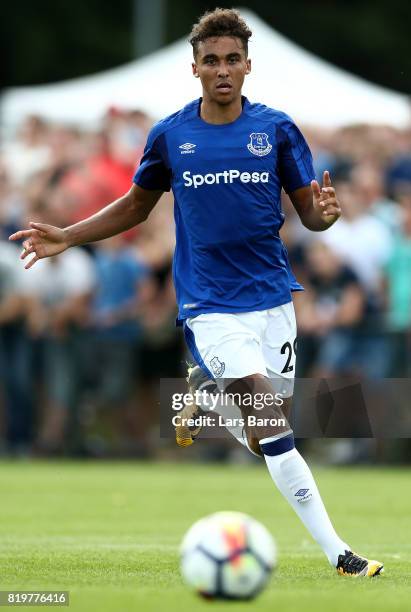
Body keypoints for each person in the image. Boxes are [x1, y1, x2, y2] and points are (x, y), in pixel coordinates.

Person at [9, 8, 382, 577]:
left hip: (274, 301)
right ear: (195, 69)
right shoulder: (172, 135)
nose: (222, 69)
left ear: (248, 65)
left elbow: (309, 213)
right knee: (272, 424)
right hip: (210, 305)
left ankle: (204, 402)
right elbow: (137, 205)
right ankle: (340, 554)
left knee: (264, 435)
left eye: (232, 59)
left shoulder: (276, 130)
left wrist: (326, 217)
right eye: (212, 61)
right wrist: (70, 234)